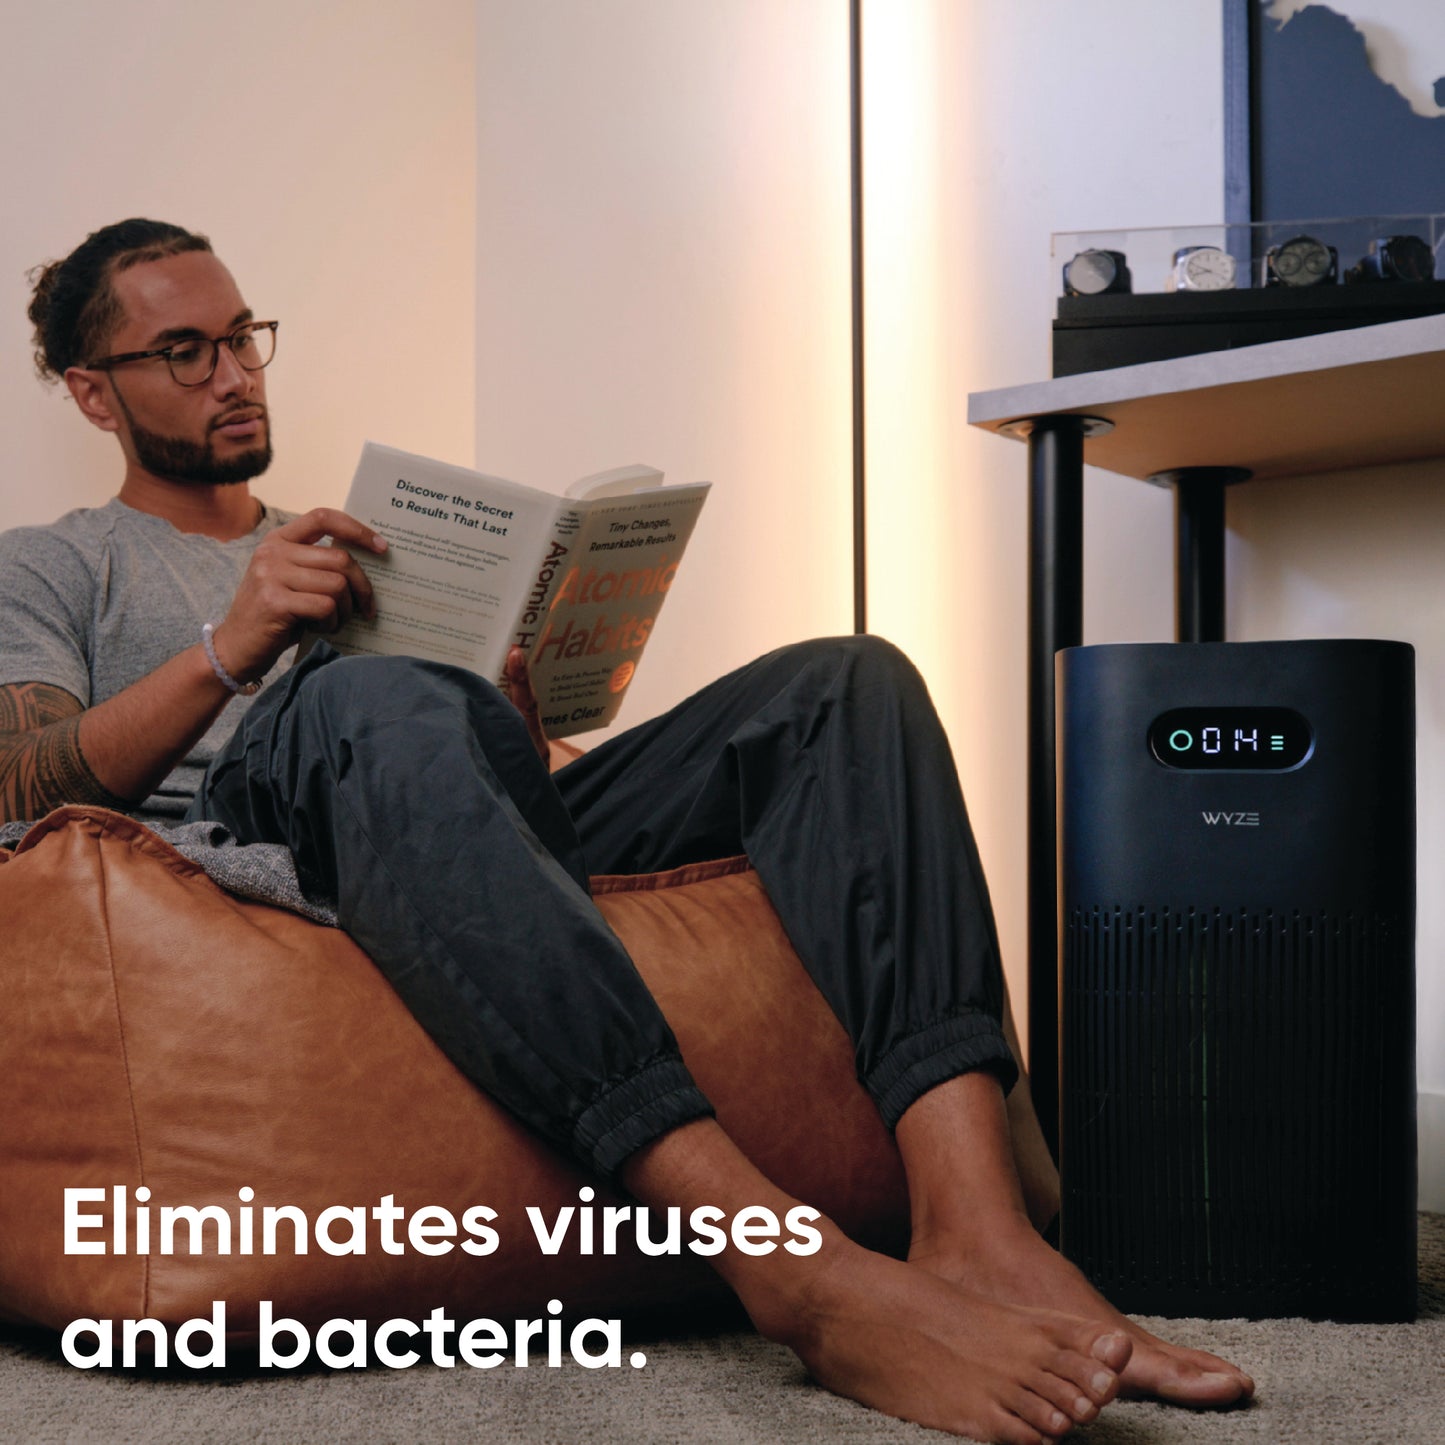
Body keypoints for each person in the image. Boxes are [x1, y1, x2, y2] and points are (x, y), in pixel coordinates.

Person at [0, 219, 1252, 1444]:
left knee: (846, 684)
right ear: (93, 395)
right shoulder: (58, 566)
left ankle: (979, 1230)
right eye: (183, 352)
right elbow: (19, 787)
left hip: (437, 815)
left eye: (243, 337)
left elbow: (507, 777)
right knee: (359, 693)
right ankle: (784, 1262)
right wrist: (238, 645)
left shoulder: (345, 546)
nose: (232, 374)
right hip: (258, 836)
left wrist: (510, 710)